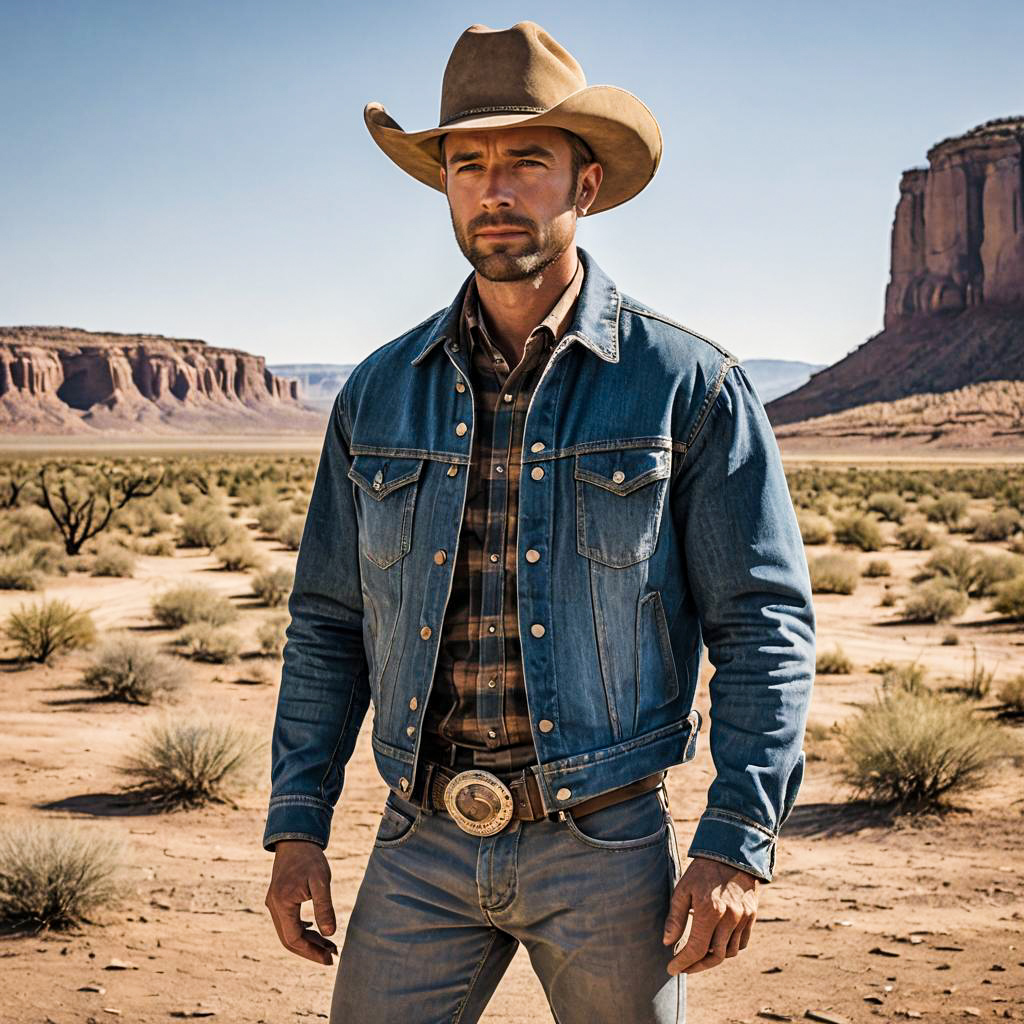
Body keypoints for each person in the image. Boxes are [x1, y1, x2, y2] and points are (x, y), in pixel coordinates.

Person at [262, 20, 815, 1024]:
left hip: (603, 845)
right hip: (418, 839)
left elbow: (762, 622)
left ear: (586, 184)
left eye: (525, 159)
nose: (494, 187)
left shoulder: (685, 385)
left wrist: (736, 832)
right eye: (467, 163)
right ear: (444, 187)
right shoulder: (380, 393)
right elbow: (327, 623)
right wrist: (296, 824)